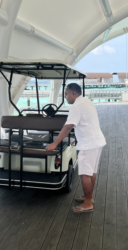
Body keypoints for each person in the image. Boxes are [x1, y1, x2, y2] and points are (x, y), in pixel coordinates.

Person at [46, 83, 106, 213]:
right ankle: (88, 197)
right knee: (91, 172)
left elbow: (68, 127)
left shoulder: (76, 107)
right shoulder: (86, 101)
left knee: (85, 173)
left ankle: (88, 203)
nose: (65, 97)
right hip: (97, 141)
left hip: (88, 144)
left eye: (66, 94)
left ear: (74, 94)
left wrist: (55, 143)